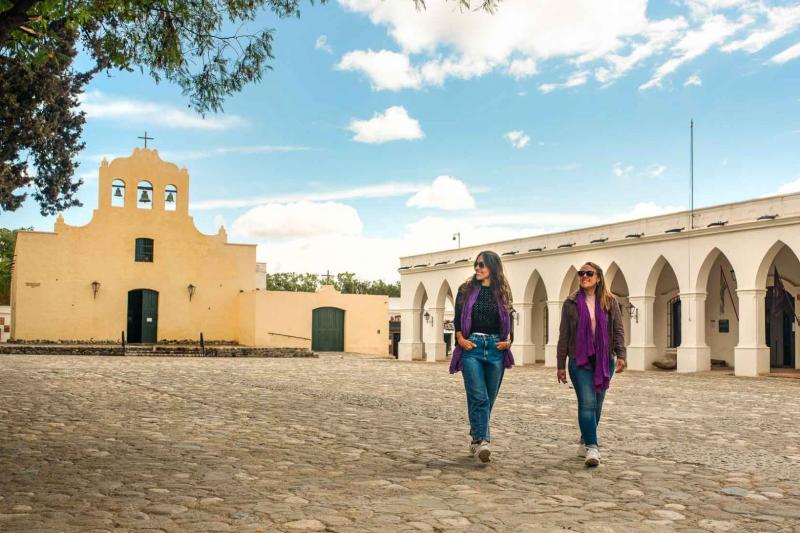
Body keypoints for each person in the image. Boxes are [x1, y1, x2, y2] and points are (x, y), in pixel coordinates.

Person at [556, 261, 626, 467]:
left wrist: (621, 354)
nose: (584, 276)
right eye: (581, 273)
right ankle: (592, 447)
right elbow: (564, 335)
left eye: (589, 273)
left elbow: (618, 329)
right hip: (579, 359)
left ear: (598, 277)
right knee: (587, 402)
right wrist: (560, 364)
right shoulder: (570, 303)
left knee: (598, 403)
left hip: (604, 359)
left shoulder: (609, 301)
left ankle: (585, 438)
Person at [449, 251, 514, 463]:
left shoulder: (502, 291)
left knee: (488, 399)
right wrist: (459, 338)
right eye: (476, 265)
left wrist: (510, 340)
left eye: (482, 265)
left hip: (496, 348)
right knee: (479, 397)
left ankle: (476, 438)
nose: (477, 268)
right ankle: (484, 441)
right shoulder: (466, 290)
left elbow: (509, 317)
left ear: (493, 268)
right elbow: (458, 318)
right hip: (472, 347)